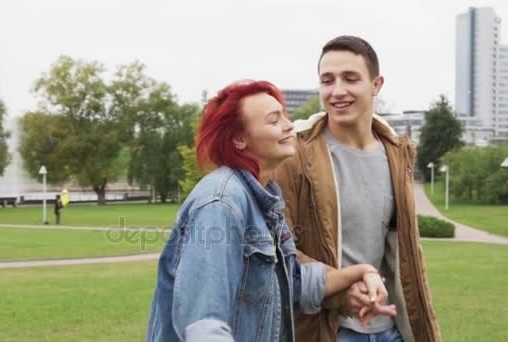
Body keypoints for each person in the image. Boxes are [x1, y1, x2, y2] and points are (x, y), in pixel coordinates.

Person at [146, 80, 395, 342]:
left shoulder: (264, 199)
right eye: (274, 120)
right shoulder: (221, 203)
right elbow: (203, 322)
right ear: (239, 139)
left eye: (285, 115)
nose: (289, 125)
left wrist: (362, 271)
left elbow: (291, 282)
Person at [274, 35, 441, 341]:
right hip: (331, 330)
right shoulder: (294, 155)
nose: (337, 91)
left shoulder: (396, 152)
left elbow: (405, 254)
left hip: (392, 329)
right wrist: (339, 293)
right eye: (327, 80)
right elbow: (276, 251)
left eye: (350, 78)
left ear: (376, 85)